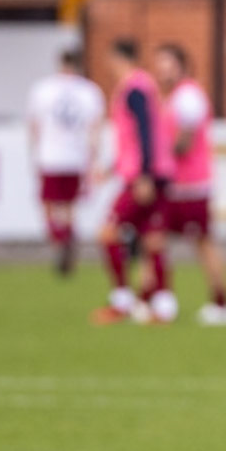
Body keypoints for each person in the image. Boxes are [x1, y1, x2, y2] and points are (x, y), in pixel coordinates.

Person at [90, 38, 175, 325]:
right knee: (153, 239)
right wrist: (112, 167)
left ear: (117, 58)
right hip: (155, 171)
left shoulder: (134, 88)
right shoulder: (144, 85)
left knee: (108, 233)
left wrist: (144, 175)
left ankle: (122, 301)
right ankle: (162, 306)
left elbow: (144, 132)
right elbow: (136, 136)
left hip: (144, 175)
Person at [152, 43, 226, 326]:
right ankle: (158, 299)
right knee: (156, 239)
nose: (163, 70)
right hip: (175, 184)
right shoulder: (172, 97)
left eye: (168, 64)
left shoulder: (187, 96)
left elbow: (183, 143)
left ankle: (221, 303)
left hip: (189, 186)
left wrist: (155, 159)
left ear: (181, 66)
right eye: (159, 64)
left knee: (201, 243)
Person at [26, 47, 105, 276]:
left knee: (49, 204)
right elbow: (95, 130)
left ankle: (58, 239)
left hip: (50, 155)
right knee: (70, 206)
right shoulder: (90, 91)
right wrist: (93, 158)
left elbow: (34, 126)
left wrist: (34, 154)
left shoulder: (42, 89)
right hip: (76, 157)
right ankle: (68, 238)